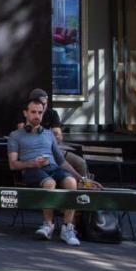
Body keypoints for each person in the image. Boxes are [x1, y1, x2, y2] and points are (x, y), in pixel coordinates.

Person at [8, 93, 83, 246]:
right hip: (31, 170)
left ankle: (68, 227)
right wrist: (33, 163)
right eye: (33, 112)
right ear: (26, 113)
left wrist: (81, 178)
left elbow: (62, 162)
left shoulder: (49, 134)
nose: (37, 116)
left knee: (70, 181)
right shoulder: (15, 136)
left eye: (40, 113)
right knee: (49, 183)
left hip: (52, 167)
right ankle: (48, 224)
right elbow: (13, 164)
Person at [15, 89, 89, 177]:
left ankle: (83, 186)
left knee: (80, 163)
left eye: (45, 104)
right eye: (40, 104)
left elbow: (58, 137)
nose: (43, 106)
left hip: (51, 150)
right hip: (33, 152)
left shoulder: (52, 114)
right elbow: (23, 133)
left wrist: (55, 135)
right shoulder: (25, 113)